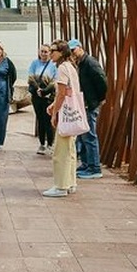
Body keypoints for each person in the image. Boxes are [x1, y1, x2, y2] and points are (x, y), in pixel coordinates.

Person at [43, 39, 80, 197]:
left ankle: (61, 186)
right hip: (72, 111)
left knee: (61, 151)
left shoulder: (63, 69)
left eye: (53, 51)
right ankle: (70, 182)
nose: (50, 54)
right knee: (70, 149)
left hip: (65, 113)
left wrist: (55, 112)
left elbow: (62, 93)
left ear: (61, 52)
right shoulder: (70, 67)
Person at [68, 38, 108, 179]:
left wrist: (99, 99)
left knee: (90, 136)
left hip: (90, 104)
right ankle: (86, 163)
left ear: (80, 47)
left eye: (73, 50)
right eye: (70, 51)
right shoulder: (80, 63)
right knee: (83, 135)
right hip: (83, 104)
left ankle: (94, 167)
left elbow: (102, 81)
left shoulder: (90, 63)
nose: (72, 53)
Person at [28, 44, 58, 155]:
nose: (44, 54)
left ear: (50, 52)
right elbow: (30, 78)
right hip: (36, 96)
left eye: (46, 51)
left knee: (48, 120)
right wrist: (38, 89)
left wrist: (45, 91)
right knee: (40, 119)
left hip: (48, 97)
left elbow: (55, 81)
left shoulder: (54, 65)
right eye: (42, 51)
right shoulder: (34, 63)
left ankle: (50, 144)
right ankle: (41, 144)